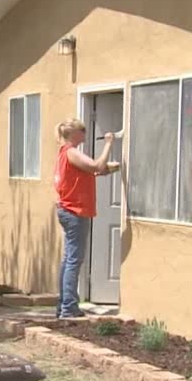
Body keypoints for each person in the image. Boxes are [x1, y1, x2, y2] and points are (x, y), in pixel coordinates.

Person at [54, 119, 117, 319]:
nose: (85, 133)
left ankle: (63, 304)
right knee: (73, 260)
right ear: (73, 133)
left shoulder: (64, 153)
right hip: (75, 211)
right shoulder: (71, 152)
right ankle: (69, 308)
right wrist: (108, 143)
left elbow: (91, 171)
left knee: (68, 259)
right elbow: (96, 165)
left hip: (68, 209)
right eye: (82, 130)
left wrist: (109, 168)